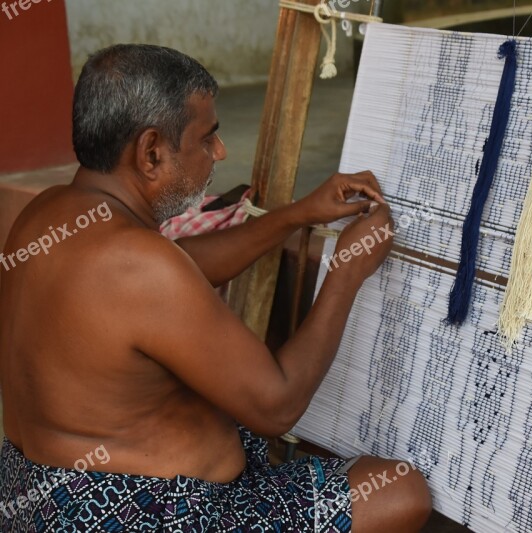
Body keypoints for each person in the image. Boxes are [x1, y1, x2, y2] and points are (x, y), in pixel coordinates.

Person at [0, 44, 431, 531]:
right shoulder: (139, 265)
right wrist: (347, 270)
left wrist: (299, 214)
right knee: (399, 491)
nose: (220, 153)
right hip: (137, 516)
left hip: (37, 500)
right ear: (151, 152)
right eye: (208, 138)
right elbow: (277, 405)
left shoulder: (44, 217)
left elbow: (179, 269)